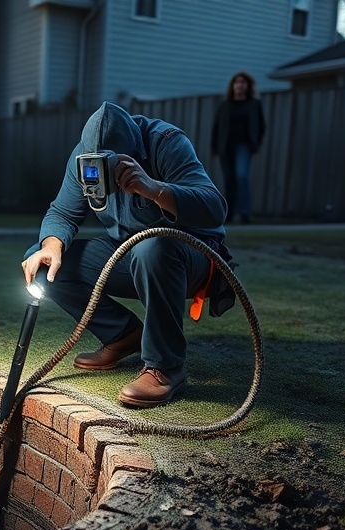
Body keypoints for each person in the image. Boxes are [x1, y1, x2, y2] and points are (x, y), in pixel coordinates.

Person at [21, 101, 227, 408]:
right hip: (129, 253)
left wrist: (153, 188)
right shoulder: (82, 157)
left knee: (153, 247)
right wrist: (51, 246)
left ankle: (165, 366)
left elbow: (214, 208)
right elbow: (62, 213)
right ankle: (122, 334)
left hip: (189, 257)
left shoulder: (166, 142)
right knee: (42, 260)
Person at [212, 71, 266, 224]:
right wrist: (215, 148)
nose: (239, 85)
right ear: (233, 86)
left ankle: (245, 213)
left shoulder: (254, 104)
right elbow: (216, 128)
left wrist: (256, 143)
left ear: (247, 85)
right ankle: (228, 214)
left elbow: (261, 126)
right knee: (229, 180)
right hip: (225, 147)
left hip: (244, 146)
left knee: (241, 176)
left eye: (243, 82)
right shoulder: (224, 105)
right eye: (237, 82)